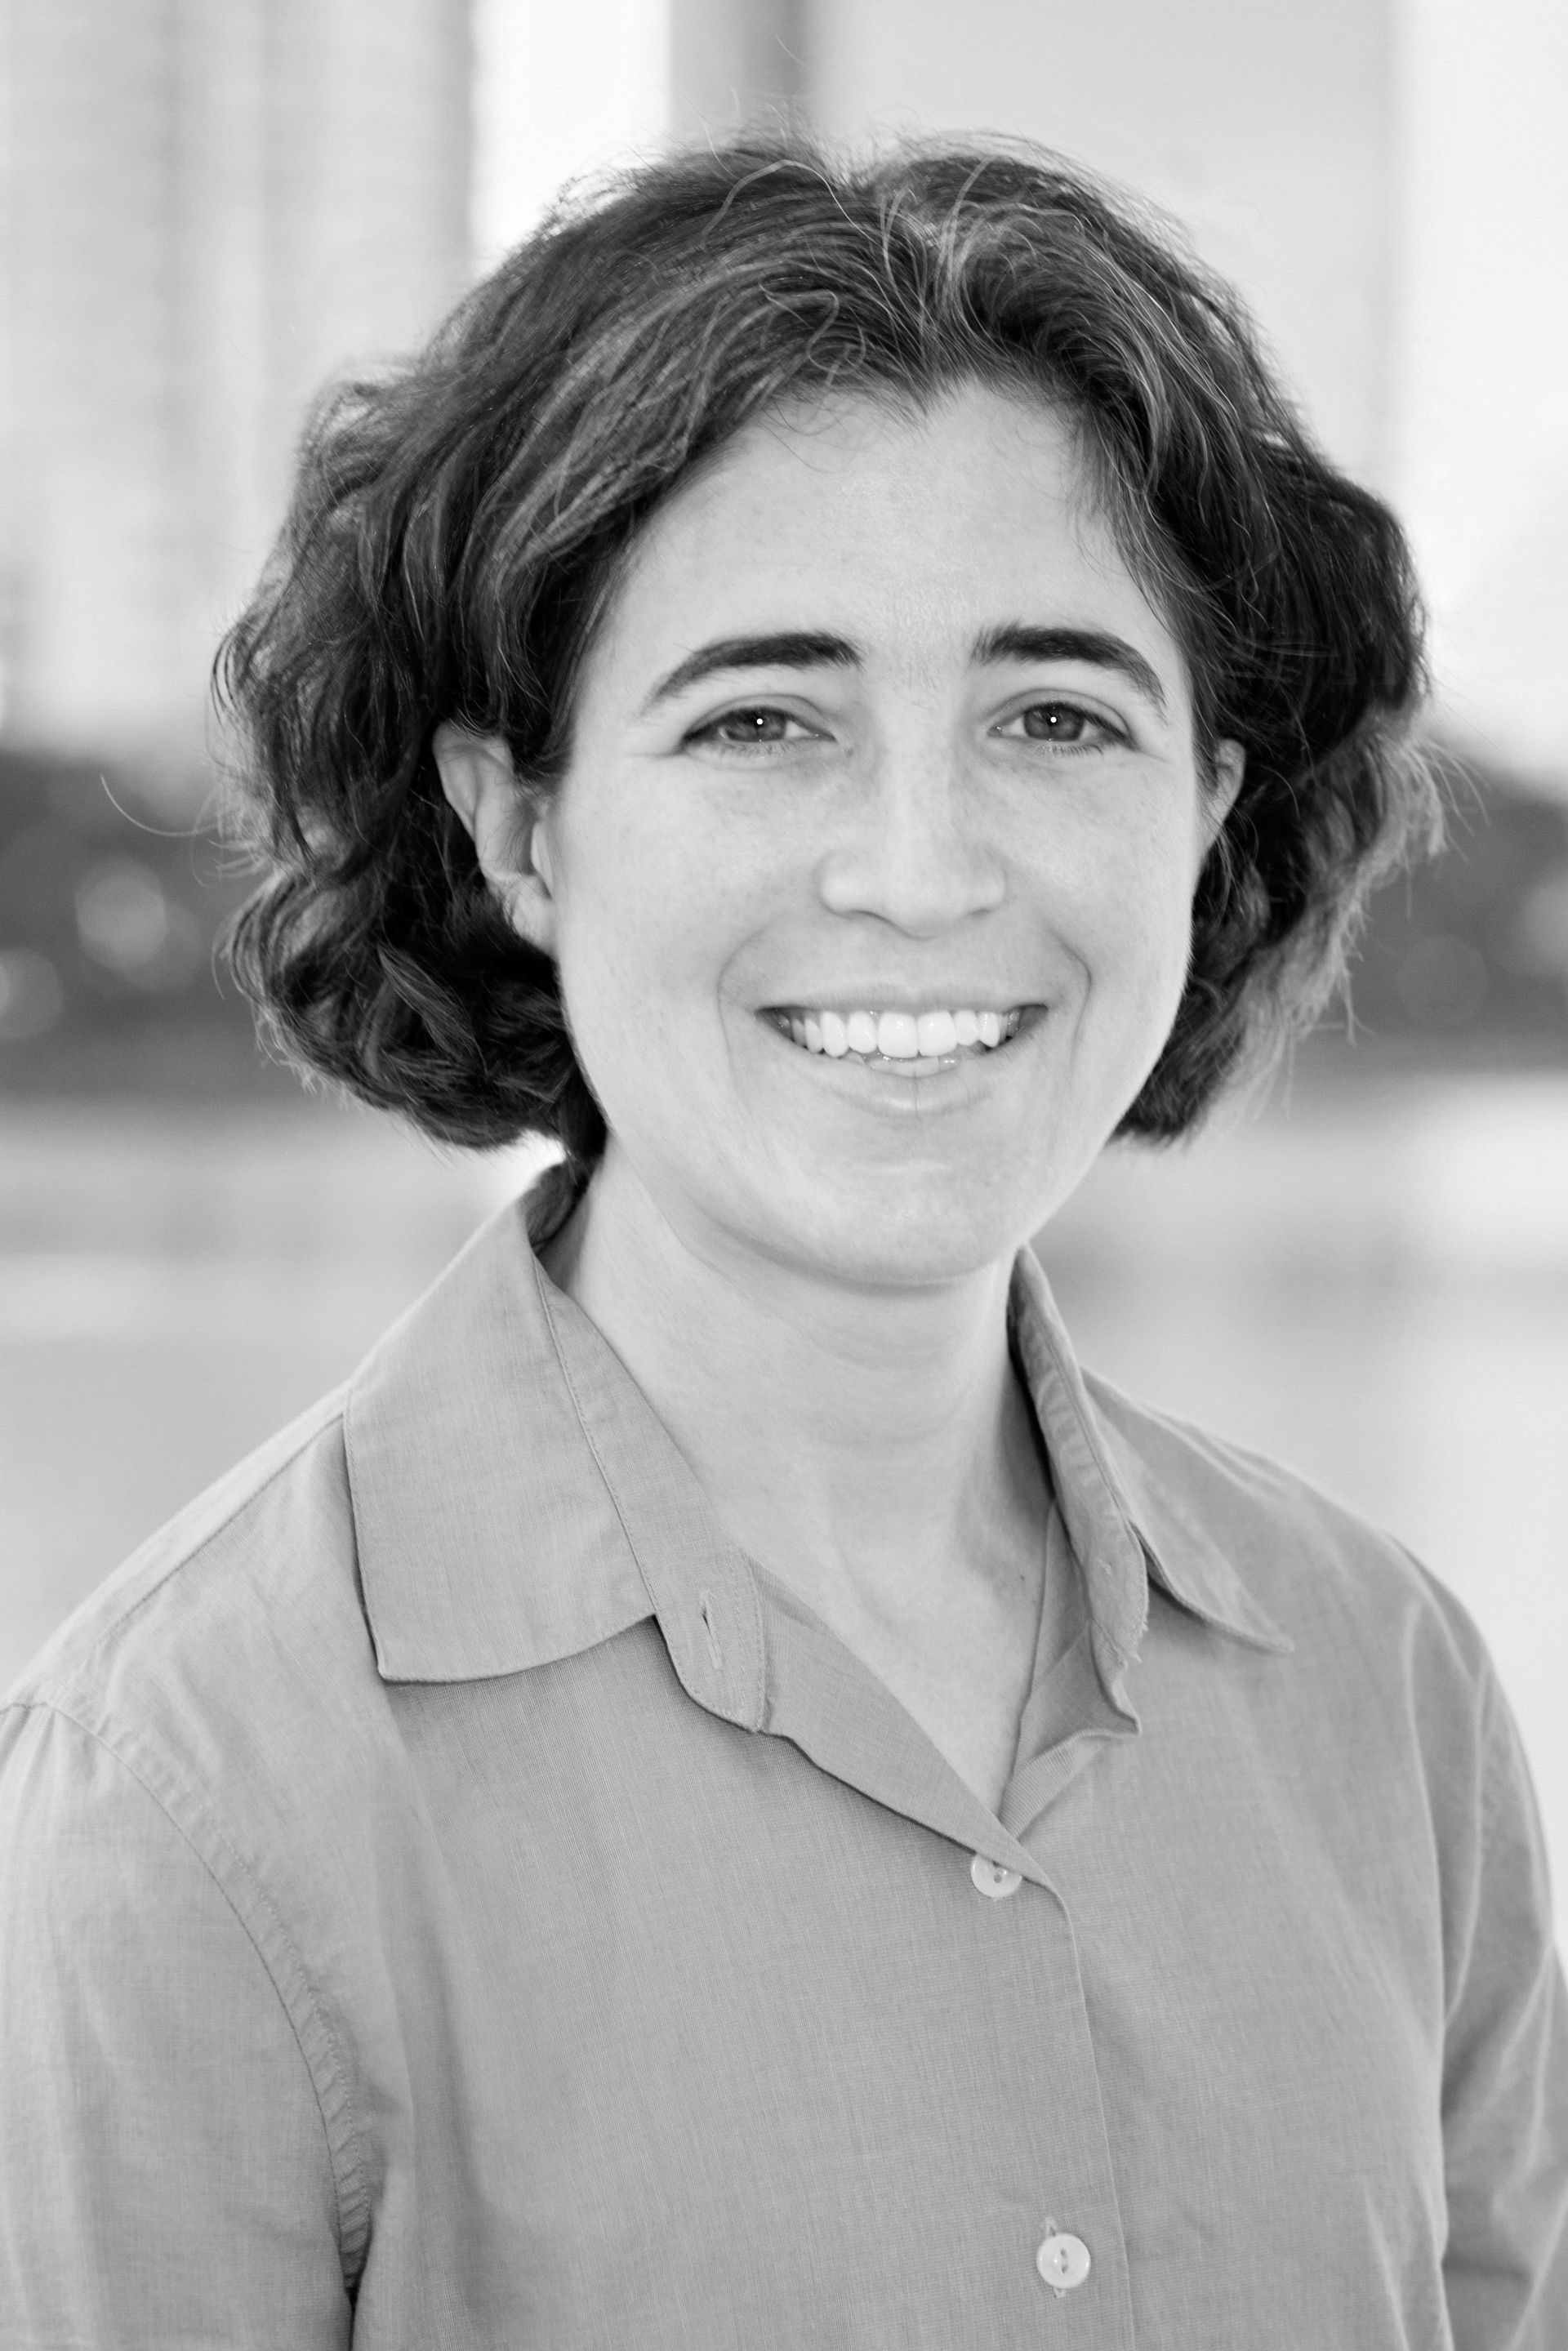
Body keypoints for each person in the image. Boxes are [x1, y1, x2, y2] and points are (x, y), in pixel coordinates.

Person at [2, 129, 1563, 2349]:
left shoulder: (1390, 1694)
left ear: (1203, 811)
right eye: (763, 720)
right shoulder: (189, 1792)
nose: (921, 872)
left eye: (1053, 716)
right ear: (521, 823)